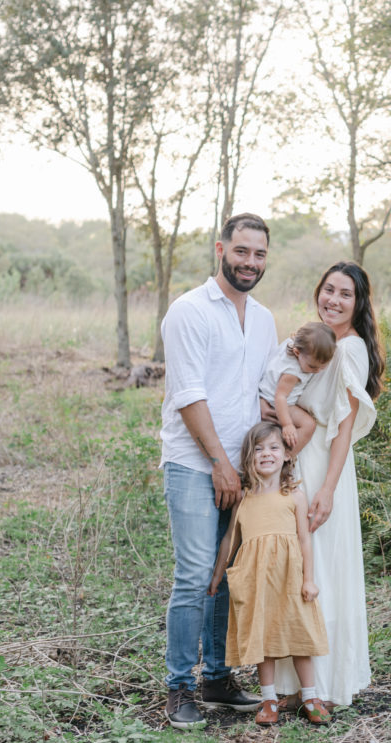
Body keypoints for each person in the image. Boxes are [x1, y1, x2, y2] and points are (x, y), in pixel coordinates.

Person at [159, 213, 276, 730]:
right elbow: (189, 394)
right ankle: (180, 688)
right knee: (193, 577)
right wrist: (219, 464)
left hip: (242, 469)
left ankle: (219, 679)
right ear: (220, 249)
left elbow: (263, 390)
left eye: (259, 254)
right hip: (194, 464)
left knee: (227, 576)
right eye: (242, 251)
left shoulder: (266, 318)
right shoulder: (189, 311)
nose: (250, 262)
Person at [272, 261, 385, 710]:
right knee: (296, 568)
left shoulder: (350, 349)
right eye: (328, 290)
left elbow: (343, 426)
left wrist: (328, 490)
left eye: (345, 294)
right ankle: (293, 684)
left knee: (322, 571)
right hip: (297, 460)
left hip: (324, 467)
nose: (333, 300)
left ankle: (326, 684)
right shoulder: (316, 342)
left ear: (358, 305)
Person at [208, 421, 332, 727]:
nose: (267, 454)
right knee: (264, 640)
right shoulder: (244, 499)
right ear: (249, 459)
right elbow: (229, 540)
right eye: (258, 449)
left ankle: (311, 697)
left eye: (274, 447)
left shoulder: (295, 496)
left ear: (287, 456)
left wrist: (309, 579)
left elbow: (305, 540)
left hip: (290, 579)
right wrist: (217, 575)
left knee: (299, 635)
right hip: (257, 581)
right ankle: (268, 699)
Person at [258, 322, 336, 456]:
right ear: (296, 352)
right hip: (276, 402)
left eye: (322, 367)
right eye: (312, 367)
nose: (317, 371)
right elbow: (280, 397)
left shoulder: (293, 343)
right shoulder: (293, 372)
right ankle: (286, 458)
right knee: (308, 425)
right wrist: (287, 424)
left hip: (270, 396)